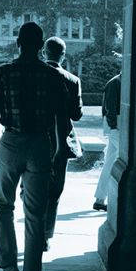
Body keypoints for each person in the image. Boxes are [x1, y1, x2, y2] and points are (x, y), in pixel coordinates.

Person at [0, 22, 67, 271]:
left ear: (18, 42)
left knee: (2, 205)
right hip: (41, 143)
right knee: (35, 214)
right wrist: (56, 152)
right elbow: (60, 119)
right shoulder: (52, 75)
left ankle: (9, 268)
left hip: (11, 141)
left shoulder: (4, 71)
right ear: (42, 45)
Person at [42, 37, 83, 250]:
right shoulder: (72, 80)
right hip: (61, 140)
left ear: (44, 53)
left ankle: (34, 227)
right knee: (55, 188)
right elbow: (76, 115)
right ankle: (46, 234)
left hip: (36, 137)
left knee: (30, 186)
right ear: (63, 55)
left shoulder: (36, 75)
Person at [93, 72, 121, 211]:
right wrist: (113, 126)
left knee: (110, 162)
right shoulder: (115, 82)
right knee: (126, 155)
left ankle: (100, 198)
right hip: (117, 126)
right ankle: (103, 197)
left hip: (116, 125)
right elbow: (110, 107)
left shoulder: (116, 81)